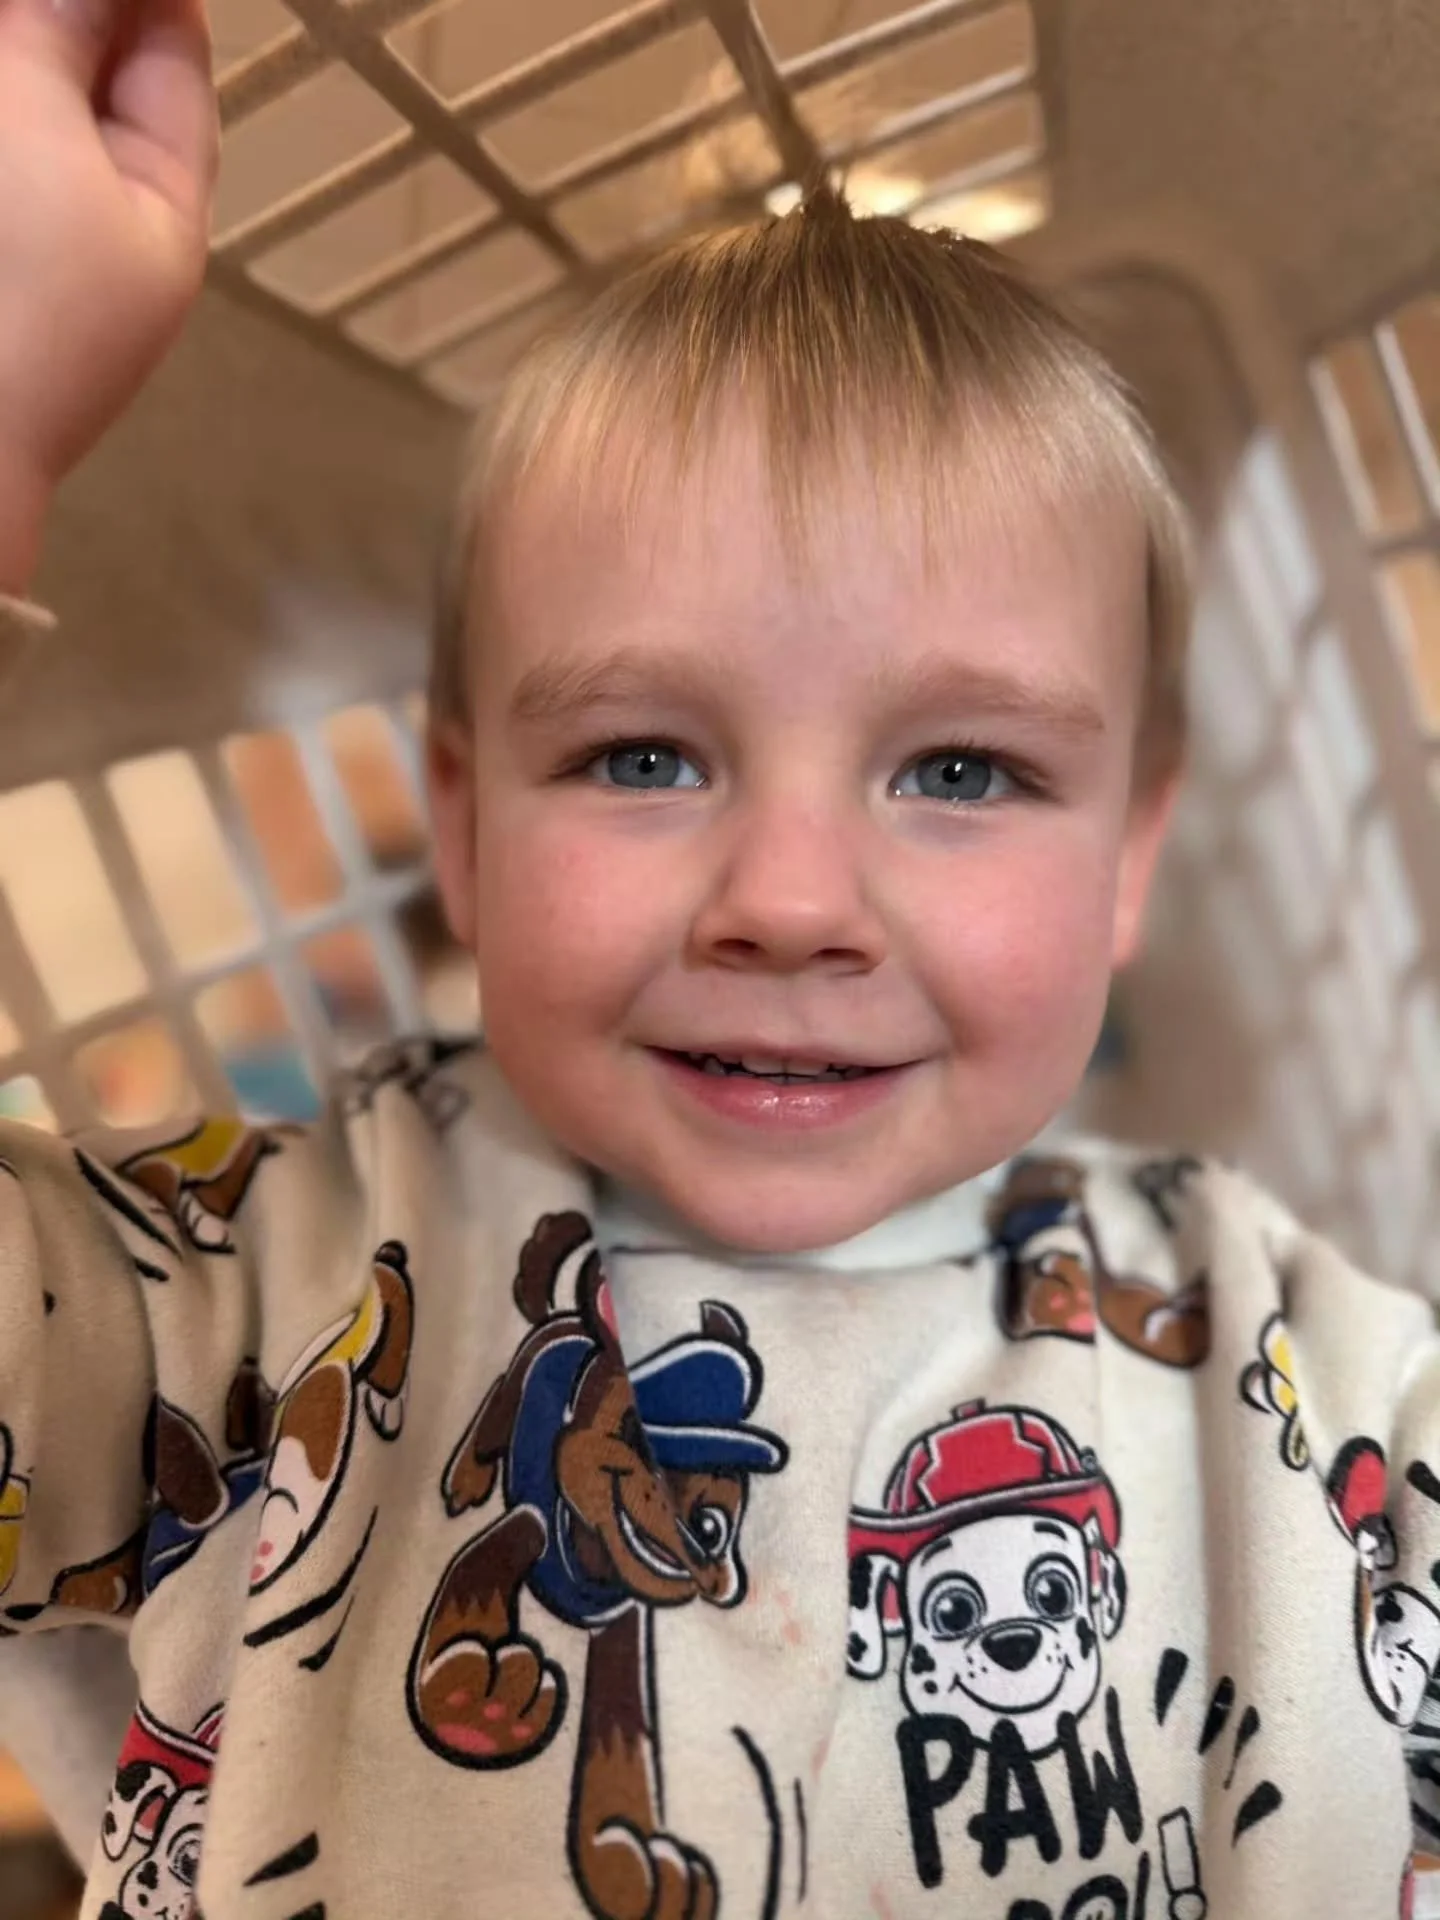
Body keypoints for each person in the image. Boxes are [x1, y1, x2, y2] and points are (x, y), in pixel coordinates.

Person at [0, 1, 1436, 1916]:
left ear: (1128, 859)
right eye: (644, 756)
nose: (790, 897)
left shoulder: (1294, 1355)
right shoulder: (264, 1292)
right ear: (467, 825)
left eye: (961, 770)